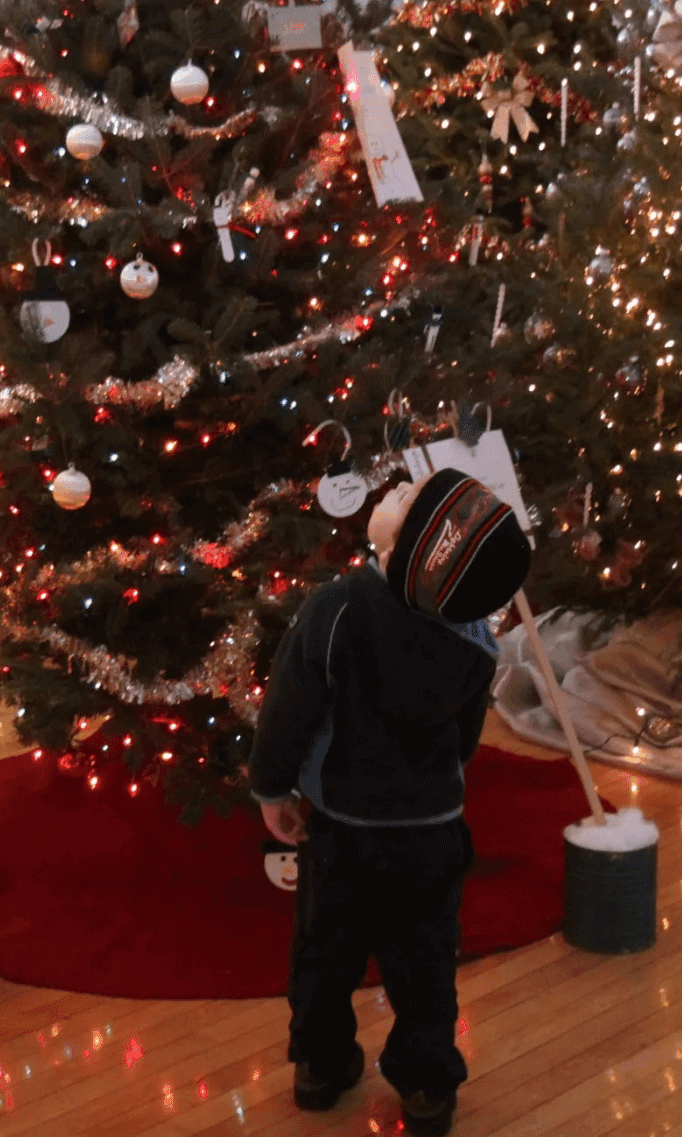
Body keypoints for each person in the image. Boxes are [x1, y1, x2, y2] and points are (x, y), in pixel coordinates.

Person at [248, 468, 531, 1136]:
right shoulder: (475, 640)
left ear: (409, 554)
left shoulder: (337, 608)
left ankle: (320, 1065)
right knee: (425, 960)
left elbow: (288, 710)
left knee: (324, 948)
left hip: (342, 827)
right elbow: (461, 740)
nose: (393, 488)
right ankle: (428, 1085)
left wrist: (270, 787)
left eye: (404, 502)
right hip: (430, 833)